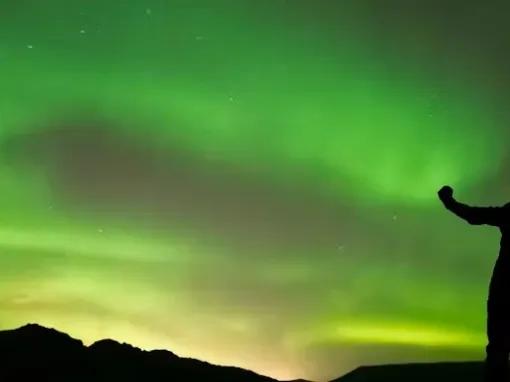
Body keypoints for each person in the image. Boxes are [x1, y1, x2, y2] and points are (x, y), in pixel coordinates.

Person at [438, 185, 510, 381]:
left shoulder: (508, 212)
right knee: (498, 340)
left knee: (498, 339)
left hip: (504, 284)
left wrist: (449, 203)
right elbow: (474, 215)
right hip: (503, 284)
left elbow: (474, 215)